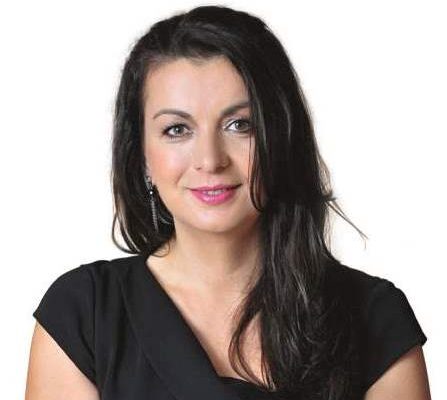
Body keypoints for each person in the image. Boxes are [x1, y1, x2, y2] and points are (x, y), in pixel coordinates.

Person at [24, 5, 430, 400]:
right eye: (177, 129)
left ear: (281, 136)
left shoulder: (374, 319)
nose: (210, 160)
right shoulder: (85, 316)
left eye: (240, 125)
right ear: (141, 157)